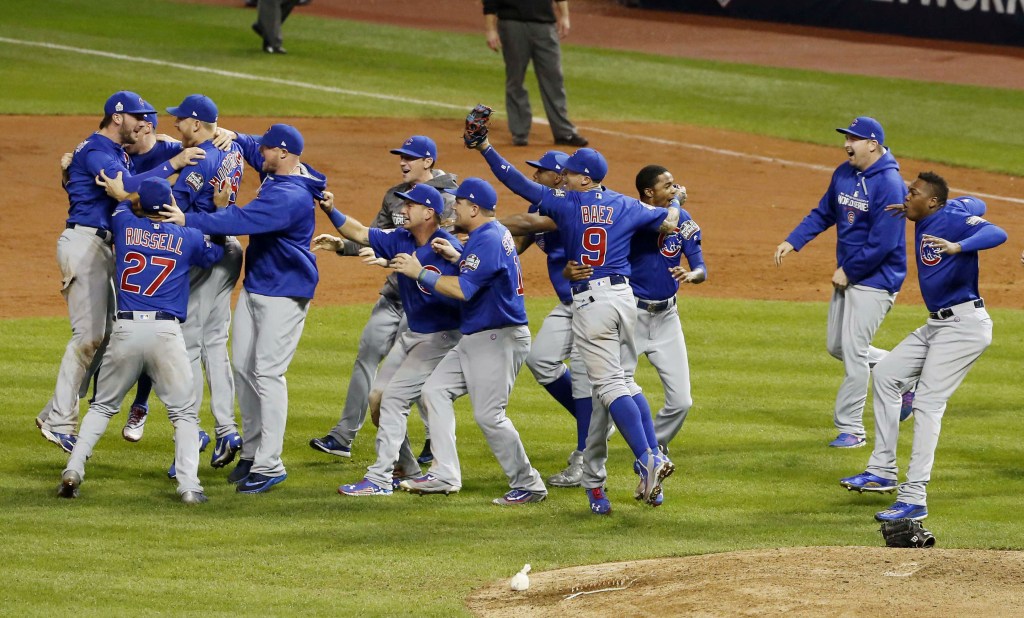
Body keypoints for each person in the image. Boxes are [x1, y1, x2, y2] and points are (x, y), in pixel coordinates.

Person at [471, 135, 680, 513]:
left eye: (569, 173)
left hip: (593, 304)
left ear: (585, 179)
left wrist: (486, 148)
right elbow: (669, 220)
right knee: (621, 384)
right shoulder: (626, 203)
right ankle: (613, 480)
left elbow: (517, 182)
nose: (562, 177)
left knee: (610, 386)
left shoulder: (569, 203)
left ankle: (648, 458)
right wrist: (677, 200)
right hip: (624, 300)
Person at [160, 124, 326, 494]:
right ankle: (251, 452)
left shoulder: (290, 196)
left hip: (286, 292)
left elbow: (240, 220)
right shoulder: (280, 168)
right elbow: (252, 148)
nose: (260, 153)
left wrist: (191, 219)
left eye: (268, 149)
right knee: (243, 368)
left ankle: (271, 464)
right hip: (258, 286)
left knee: (267, 374)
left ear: (283, 154)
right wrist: (231, 134)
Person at [38, 91, 203, 454]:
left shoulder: (116, 152)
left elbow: (141, 166)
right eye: (137, 116)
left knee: (108, 333)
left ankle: (55, 410)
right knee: (88, 336)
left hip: (98, 246)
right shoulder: (98, 150)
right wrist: (175, 161)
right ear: (117, 117)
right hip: (85, 244)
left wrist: (222, 133)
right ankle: (59, 421)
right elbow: (128, 188)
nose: (144, 122)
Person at [839, 172, 1005, 522]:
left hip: (964, 327)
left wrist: (958, 245)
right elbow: (976, 202)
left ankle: (914, 497)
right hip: (938, 324)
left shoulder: (952, 220)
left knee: (929, 403)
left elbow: (997, 232)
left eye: (912, 192)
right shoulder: (941, 209)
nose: (906, 196)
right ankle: (882, 469)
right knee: (885, 374)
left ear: (931, 201)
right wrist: (927, 204)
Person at [57, 177, 224, 505]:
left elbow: (123, 202)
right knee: (184, 414)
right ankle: (189, 487)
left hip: (126, 331)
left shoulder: (123, 223)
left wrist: (131, 196)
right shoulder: (188, 236)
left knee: (102, 406)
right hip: (166, 334)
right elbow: (215, 253)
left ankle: (74, 470)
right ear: (171, 202)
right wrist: (216, 212)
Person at [394, 178, 548, 505]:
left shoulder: (489, 239)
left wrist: (420, 272)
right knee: (434, 391)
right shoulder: (486, 236)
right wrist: (459, 252)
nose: (455, 208)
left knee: (489, 416)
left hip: (498, 336)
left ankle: (529, 483)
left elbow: (464, 289)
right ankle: (444, 474)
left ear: (474, 208)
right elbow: (486, 270)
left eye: (460, 203)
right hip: (478, 336)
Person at [308, 136, 457, 465]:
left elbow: (436, 251)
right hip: (396, 293)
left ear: (428, 161)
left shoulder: (445, 201)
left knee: (415, 373)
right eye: (401, 157)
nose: (403, 162)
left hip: (429, 299)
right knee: (369, 354)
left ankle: (434, 440)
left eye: (411, 158)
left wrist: (393, 260)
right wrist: (342, 244)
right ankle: (344, 435)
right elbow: (377, 235)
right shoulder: (397, 199)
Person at [774, 116, 908, 449]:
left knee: (853, 353)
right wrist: (795, 240)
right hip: (849, 274)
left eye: (854, 139)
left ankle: (852, 429)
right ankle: (905, 374)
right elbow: (824, 212)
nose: (847, 144)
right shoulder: (844, 173)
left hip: (877, 279)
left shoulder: (891, 184)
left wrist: (850, 270)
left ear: (873, 144)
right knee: (838, 346)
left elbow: (885, 241)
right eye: (846, 138)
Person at [512, 150, 595, 488]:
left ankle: (585, 457)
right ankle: (593, 421)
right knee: (541, 359)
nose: (535, 177)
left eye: (542, 172)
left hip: (594, 302)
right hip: (567, 303)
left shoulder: (573, 207)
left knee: (586, 379)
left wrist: (483, 224)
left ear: (560, 176)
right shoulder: (542, 205)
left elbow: (530, 224)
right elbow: (517, 242)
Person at [483, 0, 587, 147]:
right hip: (512, 23)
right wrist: (490, 29)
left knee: (554, 79)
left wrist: (564, 15)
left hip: (545, 24)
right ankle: (519, 133)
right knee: (515, 79)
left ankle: (564, 133)